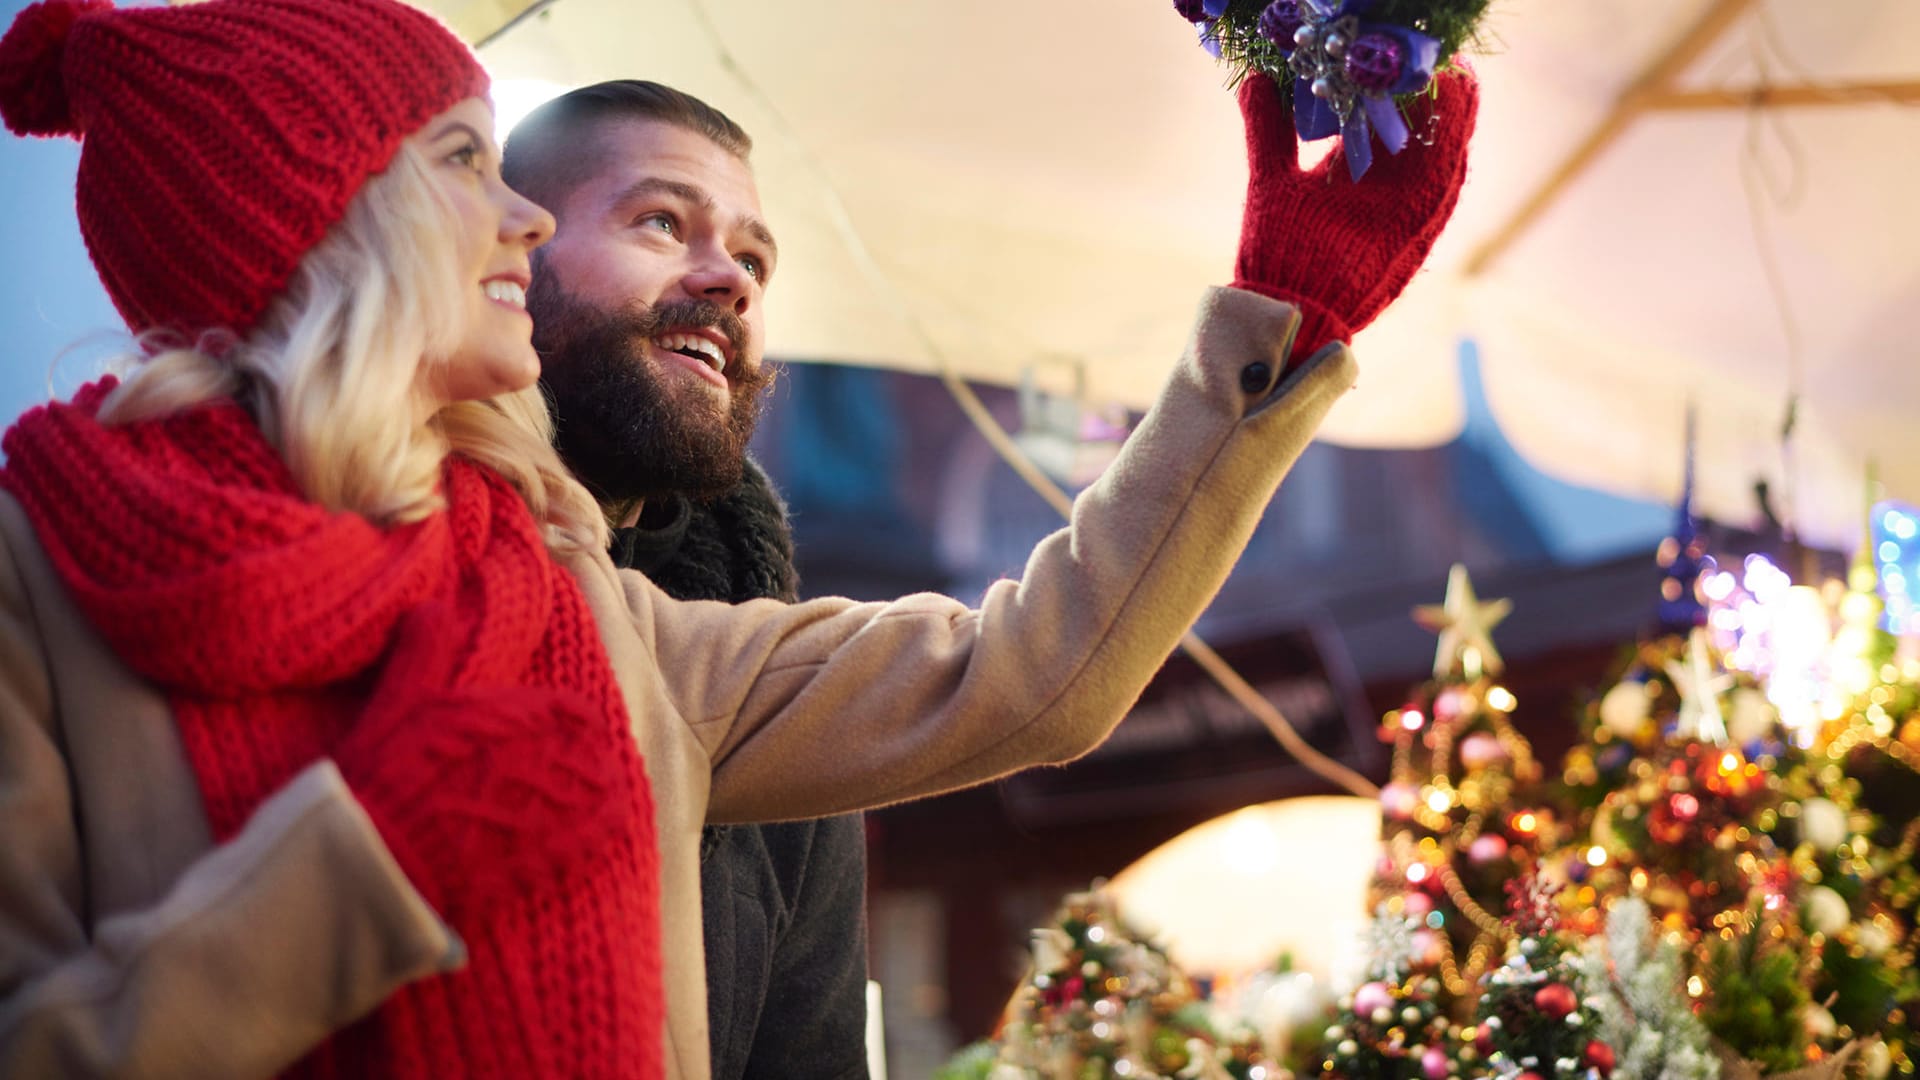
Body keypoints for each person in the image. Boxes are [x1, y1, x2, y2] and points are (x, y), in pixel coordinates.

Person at [0, 2, 1473, 1079]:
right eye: (465, 161)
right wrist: (368, 870)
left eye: (755, 255)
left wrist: (1285, 315)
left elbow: (1028, 674)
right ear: (330, 209)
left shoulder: (588, 608)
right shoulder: (36, 576)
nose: (510, 216)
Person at [502, 82, 870, 1080]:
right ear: (506, 257)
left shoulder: (769, 687)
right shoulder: (364, 561)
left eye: (752, 259)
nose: (733, 283)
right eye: (662, 222)